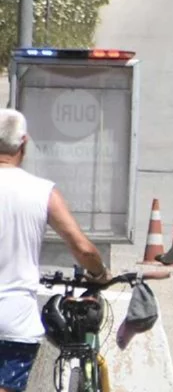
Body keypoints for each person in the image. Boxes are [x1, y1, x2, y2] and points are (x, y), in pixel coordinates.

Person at [0, 109, 110, 392]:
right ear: (24, 143)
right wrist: (99, 273)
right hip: (13, 320)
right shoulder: (41, 191)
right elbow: (83, 249)